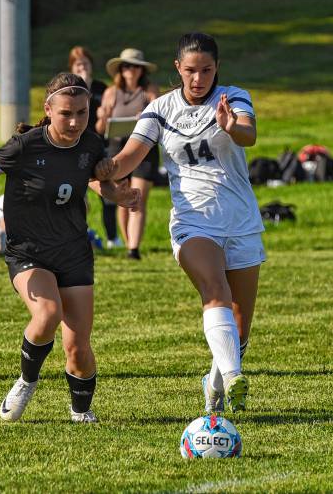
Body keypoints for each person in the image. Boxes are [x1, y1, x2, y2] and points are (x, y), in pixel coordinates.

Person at [0, 73, 140, 423]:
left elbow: (98, 183)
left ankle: (81, 413)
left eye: (82, 113)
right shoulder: (24, 146)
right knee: (47, 313)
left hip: (73, 252)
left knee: (78, 347)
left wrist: (121, 194)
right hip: (29, 252)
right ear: (48, 110)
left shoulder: (91, 144)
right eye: (66, 113)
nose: (74, 121)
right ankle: (26, 380)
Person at [96, 33, 262, 413]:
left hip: (240, 220)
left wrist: (230, 126)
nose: (198, 78)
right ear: (177, 69)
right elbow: (128, 157)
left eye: (206, 70)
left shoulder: (233, 97)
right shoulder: (159, 109)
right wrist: (104, 170)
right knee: (213, 288)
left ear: (217, 68)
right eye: (190, 70)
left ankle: (217, 380)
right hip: (192, 221)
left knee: (240, 328)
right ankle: (235, 376)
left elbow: (248, 135)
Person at [96, 48, 160, 260]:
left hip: (144, 147)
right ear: (120, 70)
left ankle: (134, 248)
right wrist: (103, 117)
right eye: (125, 66)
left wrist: (147, 117)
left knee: (138, 198)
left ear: (141, 70)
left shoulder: (150, 91)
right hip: (117, 146)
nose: (129, 70)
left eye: (134, 66)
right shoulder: (111, 92)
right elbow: (99, 128)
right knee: (121, 196)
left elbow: (161, 120)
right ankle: (127, 243)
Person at [68, 46, 120, 249]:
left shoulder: (100, 88)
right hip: (73, 148)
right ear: (72, 67)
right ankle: (79, 237)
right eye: (78, 64)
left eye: (86, 63)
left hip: (97, 147)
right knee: (77, 197)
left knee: (106, 193)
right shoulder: (68, 90)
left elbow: (103, 122)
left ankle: (112, 238)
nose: (83, 67)